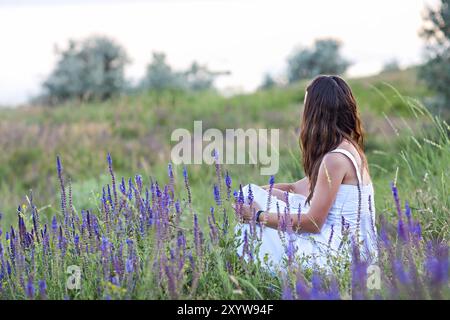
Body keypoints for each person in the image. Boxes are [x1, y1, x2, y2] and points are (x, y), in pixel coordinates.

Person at [236, 75, 377, 270]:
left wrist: (258, 215)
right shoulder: (347, 149)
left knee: (252, 226)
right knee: (248, 194)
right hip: (351, 250)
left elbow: (313, 222)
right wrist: (251, 192)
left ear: (315, 112)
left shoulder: (335, 159)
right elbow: (294, 189)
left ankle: (251, 279)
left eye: (305, 106)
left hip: (339, 257)